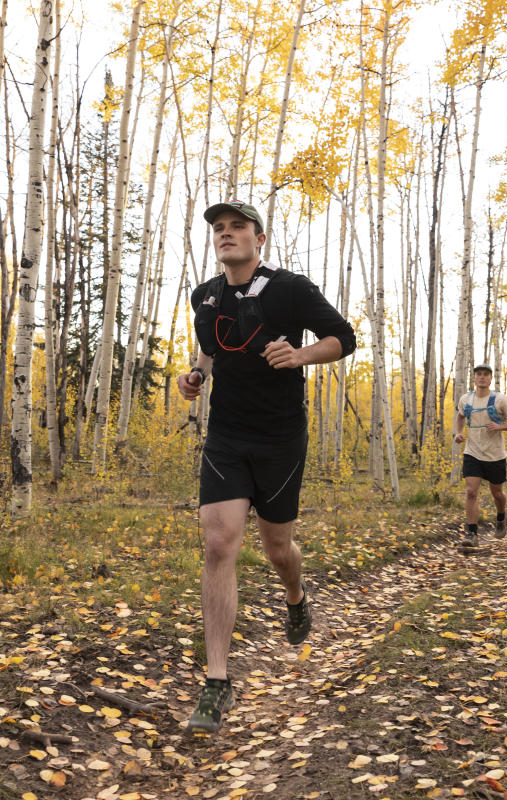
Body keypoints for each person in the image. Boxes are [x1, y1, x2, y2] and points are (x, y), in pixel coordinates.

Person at [177, 200, 356, 733]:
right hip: (227, 436)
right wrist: (195, 374)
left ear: (260, 240)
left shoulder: (289, 288)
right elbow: (208, 350)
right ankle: (217, 683)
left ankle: (296, 597)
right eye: (219, 230)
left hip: (280, 438)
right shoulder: (205, 296)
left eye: (237, 228)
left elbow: (343, 337)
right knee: (219, 542)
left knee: (278, 547)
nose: (226, 235)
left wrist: (301, 356)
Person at [452, 364, 507, 545]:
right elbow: (460, 416)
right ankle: (472, 534)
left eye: (485, 375)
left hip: (495, 455)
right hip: (472, 452)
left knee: (497, 494)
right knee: (470, 491)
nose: (481, 377)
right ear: (474, 378)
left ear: (490, 378)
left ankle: (500, 517)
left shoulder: (500, 400)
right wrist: (458, 433)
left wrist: (500, 426)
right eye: (478, 375)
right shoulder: (466, 399)